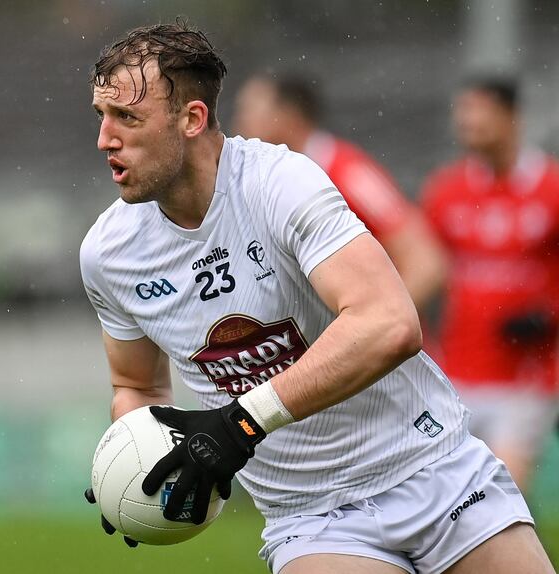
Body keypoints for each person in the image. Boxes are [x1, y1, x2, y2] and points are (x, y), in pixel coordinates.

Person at [80, 21, 554, 574]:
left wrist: (241, 423)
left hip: (432, 467)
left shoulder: (283, 182)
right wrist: (134, 464)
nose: (104, 139)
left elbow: (390, 323)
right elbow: (136, 385)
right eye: (101, 117)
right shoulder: (108, 254)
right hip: (312, 517)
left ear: (192, 119)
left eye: (127, 118)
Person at [421, 77, 559, 495]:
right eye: (462, 111)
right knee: (443, 498)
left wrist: (550, 316)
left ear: (511, 117)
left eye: (479, 110)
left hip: (527, 375)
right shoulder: (446, 191)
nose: (467, 121)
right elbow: (419, 267)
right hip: (454, 372)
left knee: (502, 491)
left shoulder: (551, 188)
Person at [231, 74, 447, 316]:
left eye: (248, 110)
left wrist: (375, 328)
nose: (239, 123)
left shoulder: (348, 171)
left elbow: (425, 263)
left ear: (288, 115)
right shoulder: (256, 181)